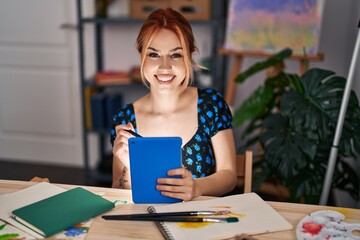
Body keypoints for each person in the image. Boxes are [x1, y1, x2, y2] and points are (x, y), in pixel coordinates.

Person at [110, 8, 237, 201]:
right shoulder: (125, 118)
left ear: (190, 56)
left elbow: (229, 175)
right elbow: (117, 189)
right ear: (141, 56)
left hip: (202, 222)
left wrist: (197, 187)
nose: (164, 67)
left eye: (176, 55)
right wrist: (129, 167)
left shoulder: (211, 105)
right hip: (146, 222)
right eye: (153, 54)